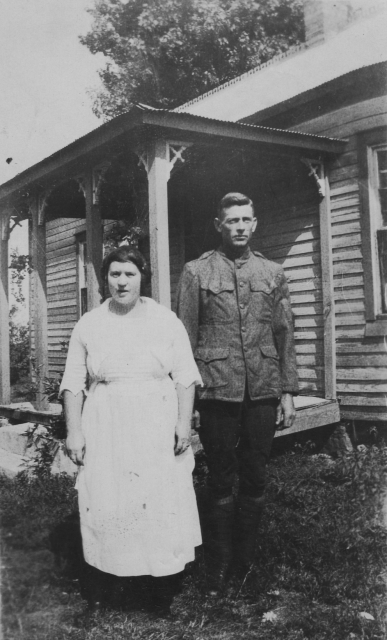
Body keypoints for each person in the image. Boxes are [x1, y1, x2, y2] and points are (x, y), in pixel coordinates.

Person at [61, 245, 202, 614]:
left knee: (157, 497)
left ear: (143, 277)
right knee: (109, 495)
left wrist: (183, 424)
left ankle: (159, 588)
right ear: (104, 278)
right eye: (114, 274)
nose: (122, 282)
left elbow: (186, 377)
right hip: (107, 420)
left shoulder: (165, 320)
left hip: (155, 418)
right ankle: (111, 580)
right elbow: (73, 381)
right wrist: (74, 431)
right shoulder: (89, 323)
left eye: (130, 274)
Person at [176, 192, 299, 594]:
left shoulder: (273, 272)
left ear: (255, 223)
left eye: (246, 219)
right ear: (219, 225)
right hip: (216, 391)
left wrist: (288, 392)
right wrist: (187, 401)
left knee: (256, 476)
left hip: (263, 389)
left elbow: (284, 334)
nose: (240, 227)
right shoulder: (197, 272)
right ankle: (218, 568)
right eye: (232, 221)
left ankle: (244, 569)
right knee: (220, 478)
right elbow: (184, 340)